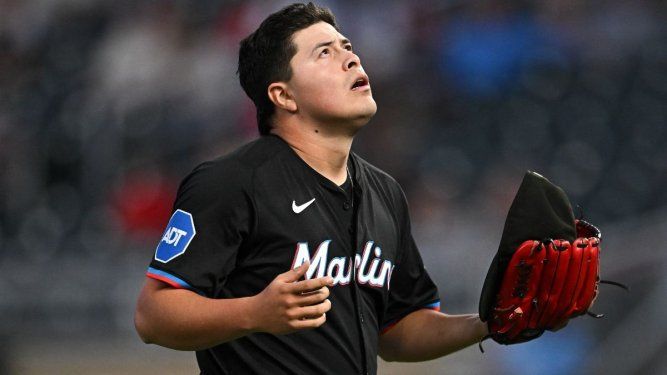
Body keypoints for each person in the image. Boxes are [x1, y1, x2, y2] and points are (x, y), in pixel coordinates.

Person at [134, 3, 488, 374]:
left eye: (347, 47)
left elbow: (396, 332)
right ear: (284, 96)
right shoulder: (232, 181)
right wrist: (254, 312)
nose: (351, 59)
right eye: (325, 53)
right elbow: (153, 315)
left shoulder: (385, 193)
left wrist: (490, 323)